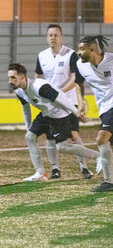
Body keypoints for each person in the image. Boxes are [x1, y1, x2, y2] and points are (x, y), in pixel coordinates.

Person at [8, 63, 99, 182]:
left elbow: (61, 99)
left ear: (22, 77)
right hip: (46, 113)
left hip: (59, 113)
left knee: (62, 147)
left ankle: (98, 156)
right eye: (9, 78)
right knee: (29, 137)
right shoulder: (19, 91)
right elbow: (26, 109)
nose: (10, 81)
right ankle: (39, 173)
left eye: (13, 77)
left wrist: (77, 113)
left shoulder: (39, 86)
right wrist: (28, 127)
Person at [35, 24, 93, 179]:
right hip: (50, 104)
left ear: (61, 37)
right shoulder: (42, 56)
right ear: (47, 37)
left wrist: (59, 93)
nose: (53, 38)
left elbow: (75, 78)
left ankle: (84, 167)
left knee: (73, 135)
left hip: (69, 101)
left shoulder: (71, 54)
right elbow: (38, 77)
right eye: (50, 35)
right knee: (50, 136)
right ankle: (55, 169)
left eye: (56, 35)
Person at [76, 35, 113, 192]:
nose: (78, 52)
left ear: (92, 49)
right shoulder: (80, 65)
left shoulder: (111, 61)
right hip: (104, 108)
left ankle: (108, 182)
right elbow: (78, 84)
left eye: (82, 49)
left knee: (101, 139)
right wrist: (81, 101)